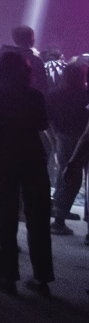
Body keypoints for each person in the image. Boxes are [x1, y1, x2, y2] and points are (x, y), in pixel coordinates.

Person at [0, 51, 54, 296]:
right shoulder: (34, 94)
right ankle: (42, 279)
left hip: (3, 156)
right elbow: (42, 124)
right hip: (32, 156)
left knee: (6, 219)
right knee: (38, 219)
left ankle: (7, 276)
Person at [48, 62, 88, 234]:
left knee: (66, 176)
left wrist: (54, 139)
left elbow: (47, 121)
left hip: (63, 137)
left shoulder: (54, 93)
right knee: (77, 179)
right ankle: (60, 219)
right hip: (83, 137)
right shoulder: (85, 94)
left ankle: (59, 217)